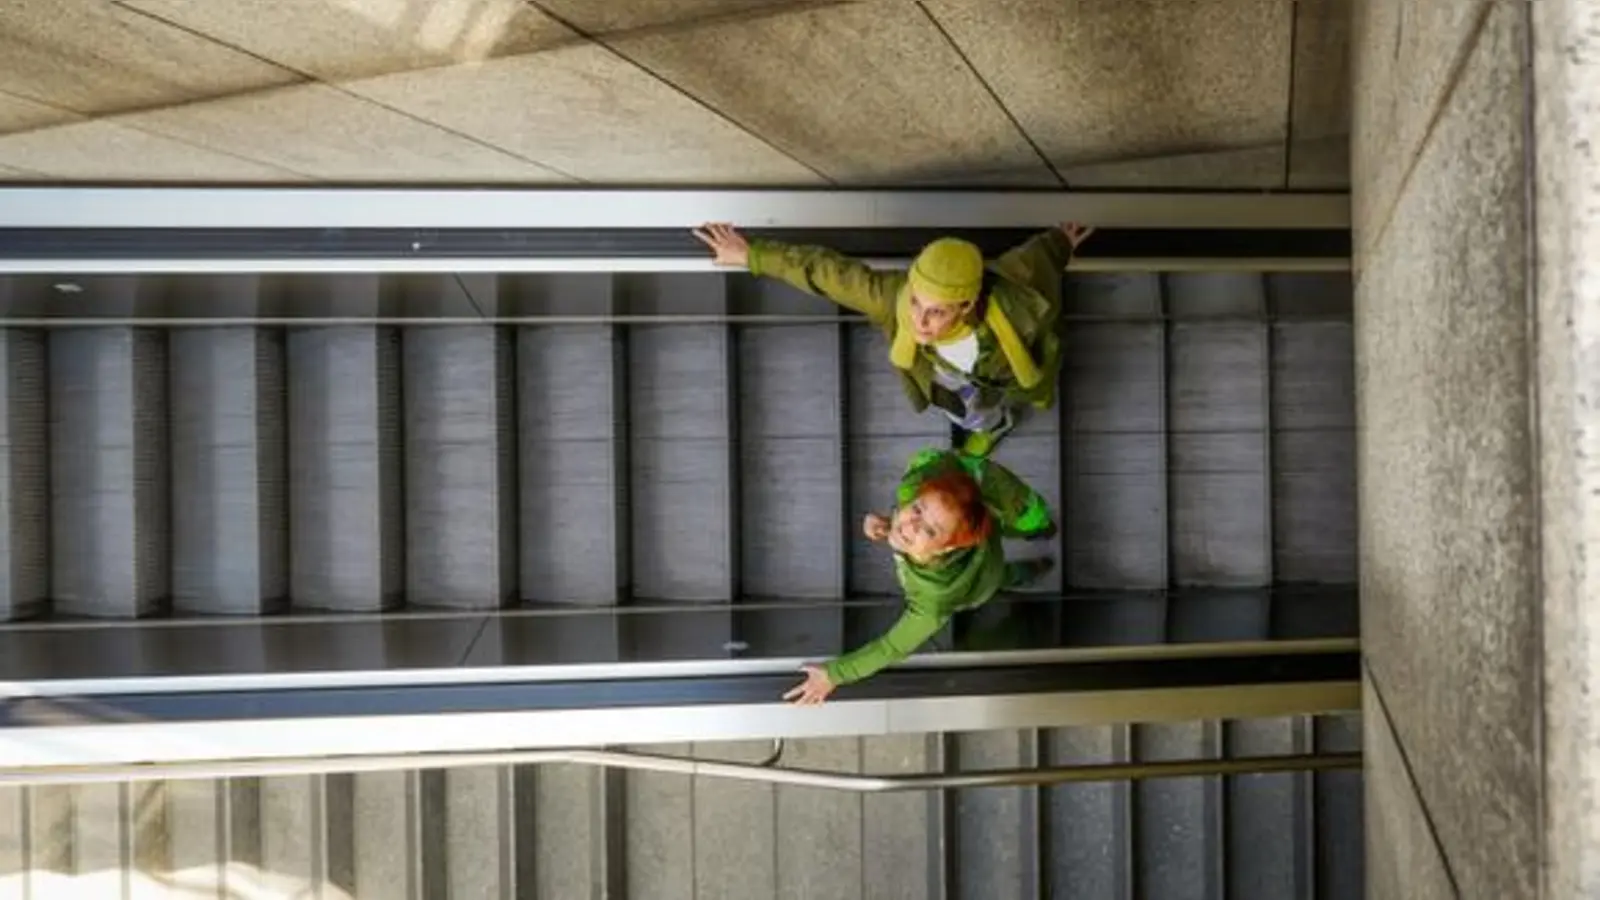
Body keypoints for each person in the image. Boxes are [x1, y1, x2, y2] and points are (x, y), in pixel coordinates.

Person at [693, 221, 1094, 456]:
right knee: (966, 410)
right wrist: (752, 256)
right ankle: (992, 427)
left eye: (936, 311)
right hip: (942, 373)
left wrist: (1062, 241)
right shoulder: (894, 299)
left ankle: (998, 417)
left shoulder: (1012, 297)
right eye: (917, 302)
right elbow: (828, 273)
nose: (918, 321)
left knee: (1002, 393)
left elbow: (1041, 258)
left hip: (1004, 366)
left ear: (967, 304)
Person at [782, 447, 1056, 706]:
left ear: (948, 547)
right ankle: (1035, 561)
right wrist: (888, 526)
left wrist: (835, 674)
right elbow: (913, 522)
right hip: (986, 543)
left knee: (1001, 578)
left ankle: (1031, 568)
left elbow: (891, 646)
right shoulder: (913, 495)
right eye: (917, 509)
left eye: (930, 530)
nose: (909, 525)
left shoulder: (934, 600)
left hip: (985, 576)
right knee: (1001, 570)